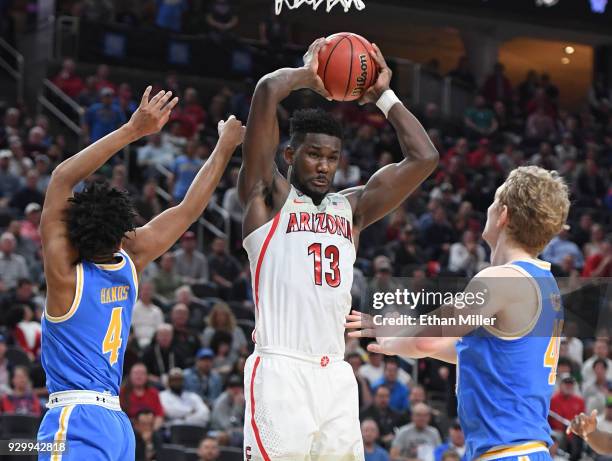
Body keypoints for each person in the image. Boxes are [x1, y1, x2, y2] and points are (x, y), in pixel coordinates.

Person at [238, 38, 438, 460]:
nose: (324, 166)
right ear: (290, 154)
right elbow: (266, 91)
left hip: (335, 376)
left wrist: (384, 95)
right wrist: (309, 76)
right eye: (313, 155)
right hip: (280, 369)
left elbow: (424, 158)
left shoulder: (351, 208)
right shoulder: (268, 199)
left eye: (332, 157)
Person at [36, 86, 245, 460]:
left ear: (73, 233)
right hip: (118, 425)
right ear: (122, 233)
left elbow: (61, 179)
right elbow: (188, 208)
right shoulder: (131, 262)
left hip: (74, 418)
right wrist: (225, 147)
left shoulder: (65, 279)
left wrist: (133, 130)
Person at [347, 165, 570, 460]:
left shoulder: (500, 279)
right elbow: (476, 353)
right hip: (525, 450)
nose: (488, 210)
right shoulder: (546, 284)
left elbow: (425, 339)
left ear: (503, 215)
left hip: (506, 452)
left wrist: (392, 333)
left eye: (493, 202)